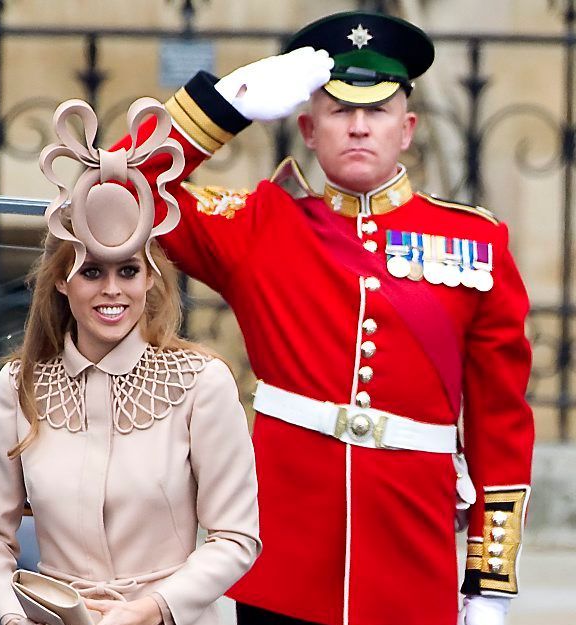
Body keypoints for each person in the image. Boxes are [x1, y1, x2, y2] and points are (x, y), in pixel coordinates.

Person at [112, 10, 535, 625]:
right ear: (308, 128)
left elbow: (500, 421)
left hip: (412, 560)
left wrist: (488, 580)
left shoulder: (476, 242)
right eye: (340, 111)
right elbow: (114, 191)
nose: (359, 127)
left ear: (407, 127)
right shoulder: (260, 223)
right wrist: (224, 107)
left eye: (377, 111)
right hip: (283, 558)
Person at [0, 98, 261, 625]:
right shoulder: (19, 385)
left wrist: (150, 610)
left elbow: (235, 538)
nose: (112, 291)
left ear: (151, 279)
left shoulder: (202, 382)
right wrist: (11, 618)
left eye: (128, 272)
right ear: (61, 280)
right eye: (91, 272)